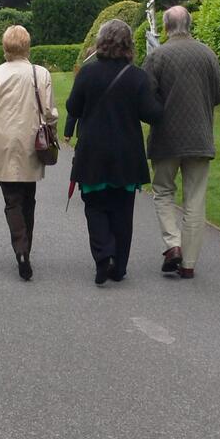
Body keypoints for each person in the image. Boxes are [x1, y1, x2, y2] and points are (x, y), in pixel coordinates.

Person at [64, 19, 162, 285]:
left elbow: (73, 107)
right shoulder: (137, 76)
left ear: (101, 42)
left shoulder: (87, 73)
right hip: (125, 154)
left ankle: (102, 256)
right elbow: (152, 114)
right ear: (128, 44)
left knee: (94, 207)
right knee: (122, 210)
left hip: (93, 152)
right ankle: (118, 265)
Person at [143, 6, 220, 279]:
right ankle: (188, 263)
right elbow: (219, 95)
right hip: (199, 137)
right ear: (189, 24)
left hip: (166, 138)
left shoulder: (157, 56)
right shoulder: (207, 54)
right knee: (195, 198)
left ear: (166, 27)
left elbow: (146, 99)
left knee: (163, 191)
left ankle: (172, 245)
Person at [0, 24, 58, 281]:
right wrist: (53, 134)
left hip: (3, 144)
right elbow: (49, 112)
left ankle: (21, 249)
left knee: (12, 201)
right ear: (27, 45)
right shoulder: (40, 73)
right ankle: (26, 248)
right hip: (31, 143)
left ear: (5, 46)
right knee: (29, 198)